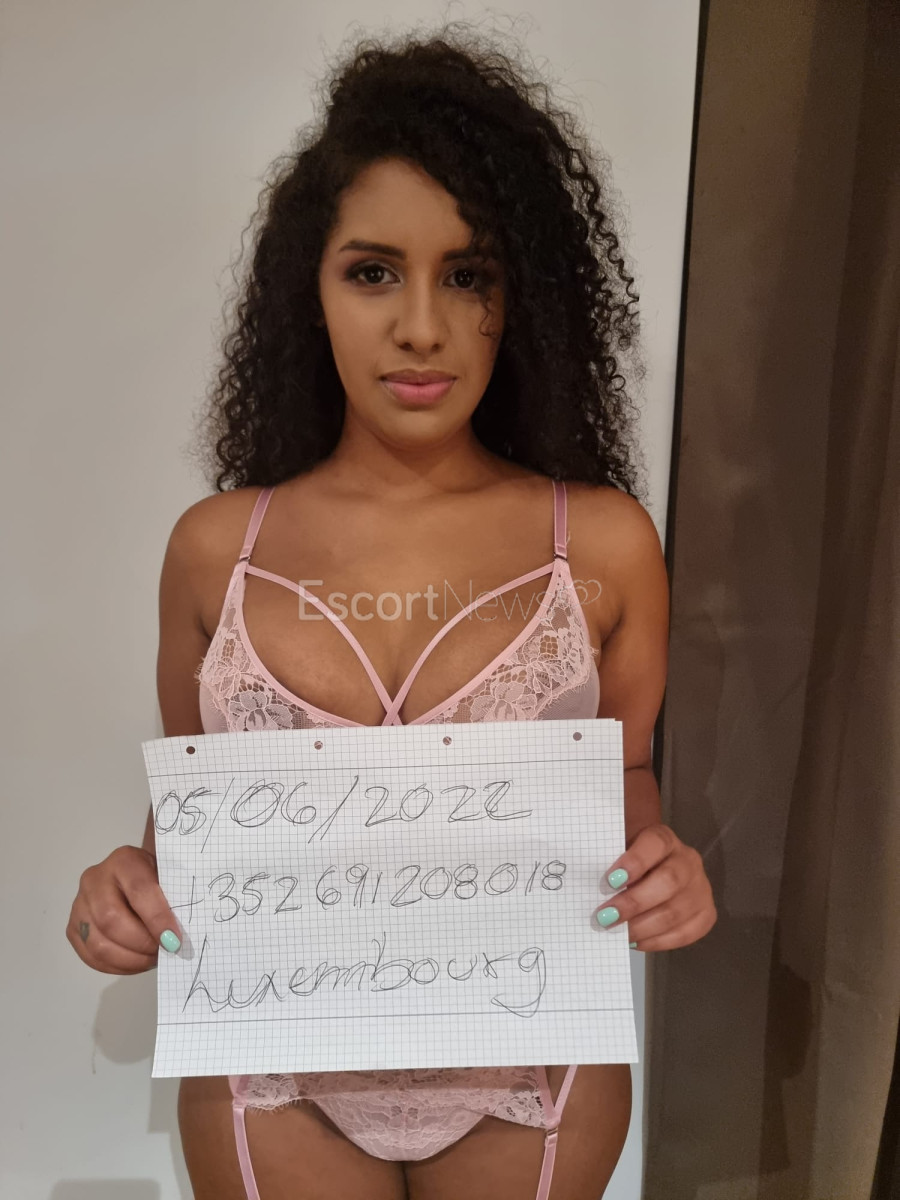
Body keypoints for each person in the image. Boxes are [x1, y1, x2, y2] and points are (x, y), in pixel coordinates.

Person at [66, 23, 716, 1200]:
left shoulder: (605, 545)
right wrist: (127, 889)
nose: (421, 325)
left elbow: (621, 777)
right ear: (307, 293)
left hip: (534, 1068)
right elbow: (198, 812)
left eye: (468, 275)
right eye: (372, 272)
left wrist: (662, 866)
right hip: (269, 1069)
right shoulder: (216, 552)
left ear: (524, 297)